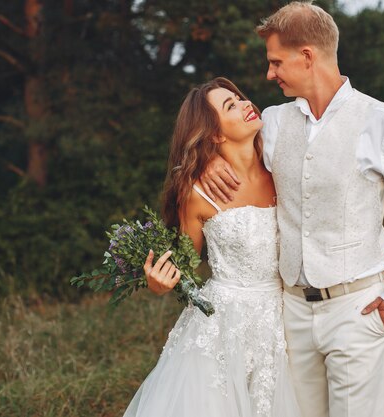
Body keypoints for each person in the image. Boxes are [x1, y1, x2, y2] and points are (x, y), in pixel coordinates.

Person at [199, 2, 384, 417]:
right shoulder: (274, 123)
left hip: (359, 309)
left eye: (276, 62)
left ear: (308, 56)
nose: (269, 74)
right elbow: (228, 148)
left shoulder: (382, 123)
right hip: (290, 314)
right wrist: (209, 159)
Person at [123, 77, 302, 417]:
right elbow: (183, 266)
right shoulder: (198, 193)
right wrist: (159, 283)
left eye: (240, 98)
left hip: (283, 319)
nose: (246, 104)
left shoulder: (283, 172)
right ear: (216, 134)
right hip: (222, 326)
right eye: (230, 106)